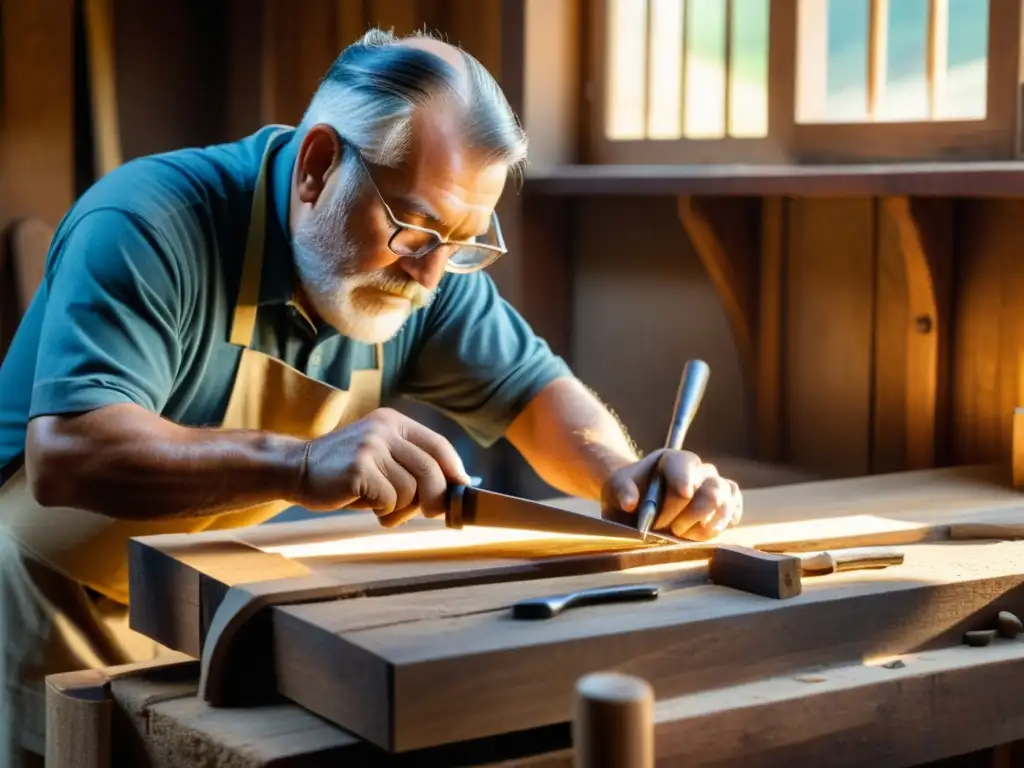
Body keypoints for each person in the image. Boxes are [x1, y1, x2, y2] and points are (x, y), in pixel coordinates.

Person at [0, 29, 742, 764]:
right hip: (47, 607)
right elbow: (68, 452)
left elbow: (535, 394)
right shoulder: (150, 222)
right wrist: (299, 464)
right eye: (415, 228)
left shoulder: (431, 268)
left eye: (463, 241)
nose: (429, 274)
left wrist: (622, 473)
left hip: (207, 602)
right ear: (319, 166)